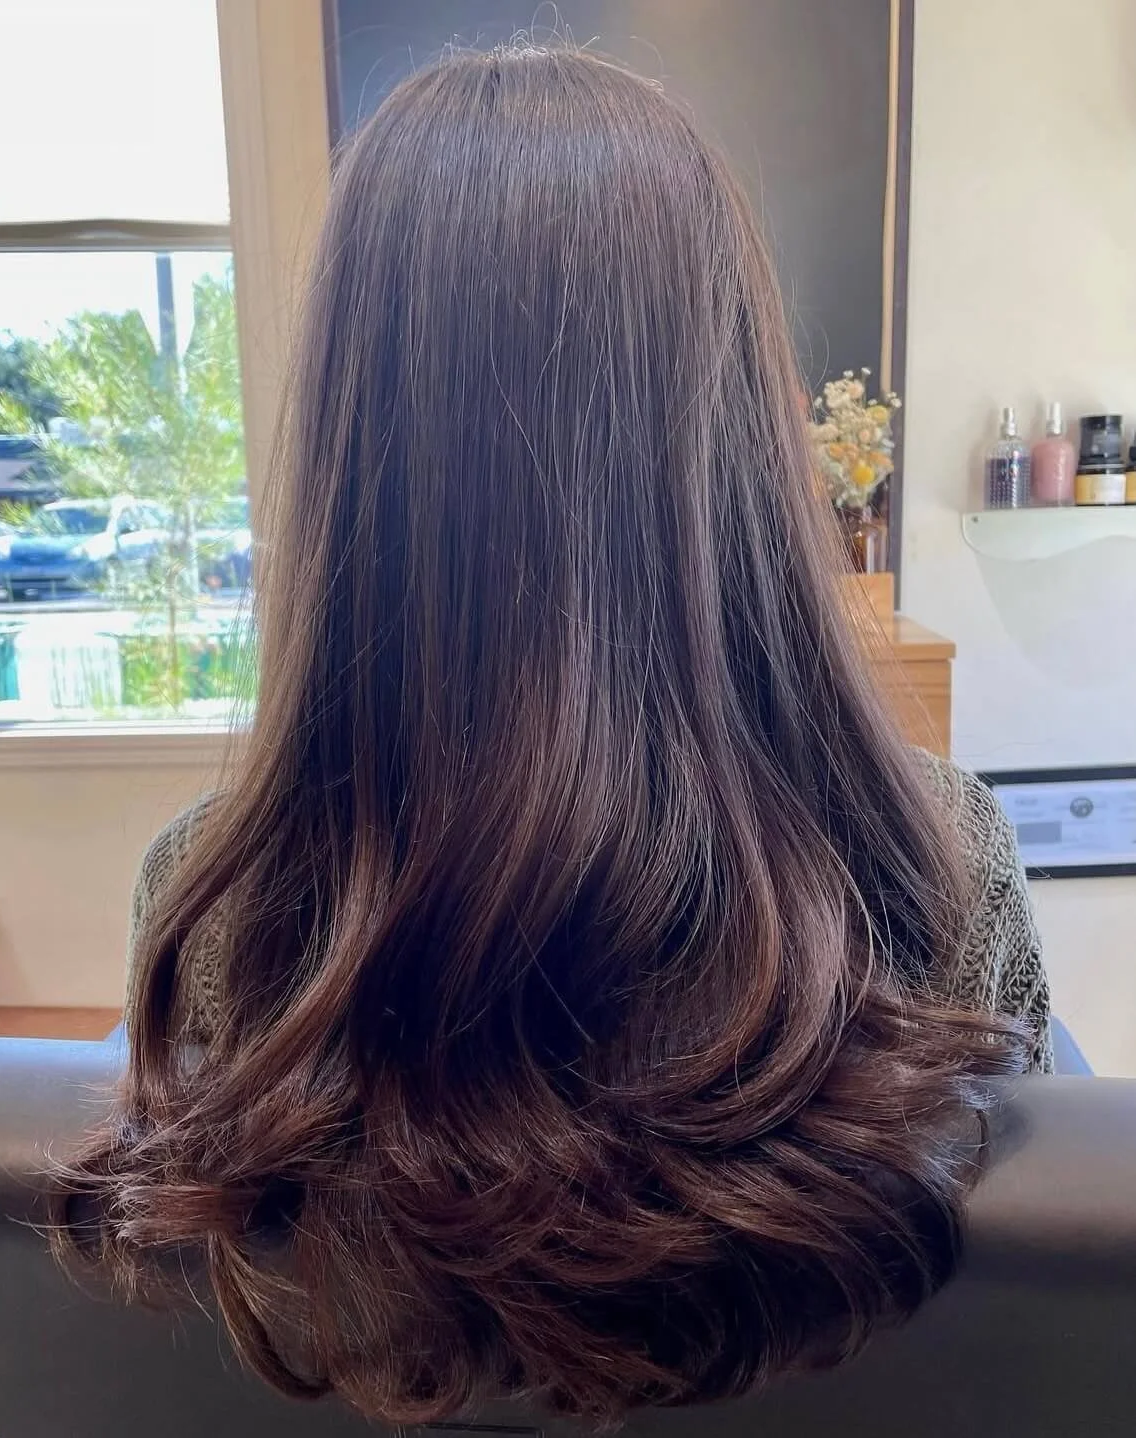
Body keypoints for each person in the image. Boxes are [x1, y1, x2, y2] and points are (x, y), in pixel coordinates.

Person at [55, 46, 1050, 1426]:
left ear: (355, 442)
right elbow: (1033, 1292)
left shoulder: (212, 905)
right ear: (737, 437)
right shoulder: (940, 861)